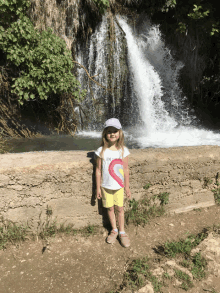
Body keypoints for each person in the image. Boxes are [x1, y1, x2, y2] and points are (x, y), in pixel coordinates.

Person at [95, 118, 131, 247]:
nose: (112, 134)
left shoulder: (123, 151)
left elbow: (126, 169)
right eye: (109, 131)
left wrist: (127, 187)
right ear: (105, 133)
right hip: (105, 187)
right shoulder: (101, 151)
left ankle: (122, 232)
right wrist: (98, 188)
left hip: (119, 187)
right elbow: (98, 170)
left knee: (120, 209)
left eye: (115, 131)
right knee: (110, 208)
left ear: (119, 133)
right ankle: (114, 230)